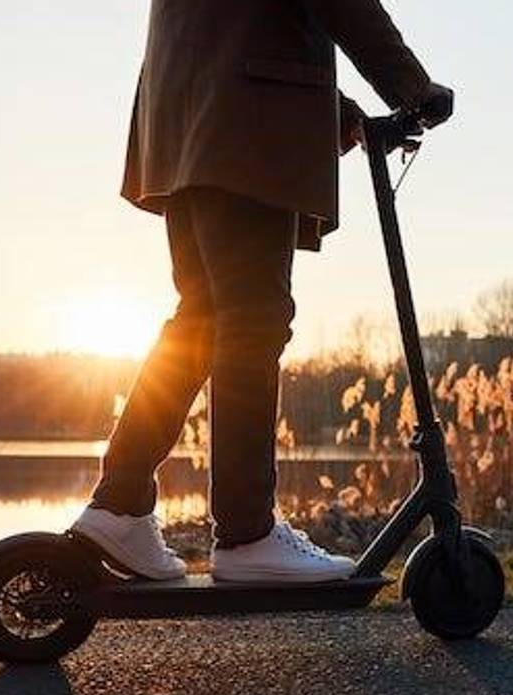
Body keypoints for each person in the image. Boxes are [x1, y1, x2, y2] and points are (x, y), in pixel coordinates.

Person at [70, 0, 453, 583]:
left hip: (183, 116)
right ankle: (246, 532)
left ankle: (119, 501)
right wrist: (413, 88)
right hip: (245, 124)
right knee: (253, 322)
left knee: (200, 321)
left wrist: (344, 116)